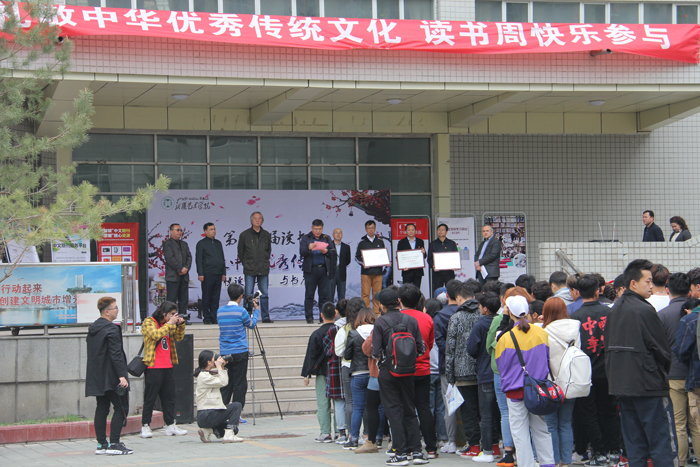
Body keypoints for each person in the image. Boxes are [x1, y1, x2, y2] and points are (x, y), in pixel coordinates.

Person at [605, 259, 678, 467]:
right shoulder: (644, 310)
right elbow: (662, 351)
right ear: (633, 284)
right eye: (647, 281)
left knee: (635, 445)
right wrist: (661, 374)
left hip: (622, 385)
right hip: (649, 385)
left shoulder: (614, 310)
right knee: (662, 443)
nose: (651, 286)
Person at [495, 295, 555, 467]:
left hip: (515, 391)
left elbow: (501, 367)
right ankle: (547, 463)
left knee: (520, 433)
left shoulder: (505, 338)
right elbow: (548, 359)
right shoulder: (542, 333)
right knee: (541, 429)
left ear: (510, 313)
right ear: (528, 311)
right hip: (538, 389)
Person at [371, 288, 427, 466]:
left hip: (388, 372)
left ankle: (401, 453)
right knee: (410, 410)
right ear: (399, 302)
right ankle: (417, 452)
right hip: (408, 371)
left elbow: (375, 352)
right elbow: (421, 348)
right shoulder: (411, 320)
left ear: (382, 306)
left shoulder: (380, 322)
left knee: (394, 412)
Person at [570, 274, 622, 466]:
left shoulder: (575, 317)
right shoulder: (610, 313)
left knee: (589, 413)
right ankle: (614, 450)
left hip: (585, 373)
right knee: (610, 411)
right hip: (609, 371)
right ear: (598, 290)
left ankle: (599, 453)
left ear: (578, 292)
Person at [487, 287, 532, 467]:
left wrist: (504, 318)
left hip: (506, 374)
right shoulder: (534, 324)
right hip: (532, 376)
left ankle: (509, 452)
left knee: (507, 413)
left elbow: (492, 344)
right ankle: (534, 457)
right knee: (534, 419)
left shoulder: (500, 321)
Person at [660, 272, 698, 467]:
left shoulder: (662, 315)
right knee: (696, 424)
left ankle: (680, 462)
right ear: (689, 289)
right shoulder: (695, 313)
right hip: (694, 374)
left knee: (678, 423)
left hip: (673, 373)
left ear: (668, 290)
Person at [86, 297, 132, 456]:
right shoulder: (111, 329)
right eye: (115, 308)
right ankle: (114, 443)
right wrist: (122, 375)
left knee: (102, 408)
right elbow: (115, 354)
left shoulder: (93, 328)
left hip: (97, 375)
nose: (117, 310)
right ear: (107, 311)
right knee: (120, 408)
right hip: (112, 376)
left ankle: (101, 444)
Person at [399, 284, 438, 459]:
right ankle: (431, 447)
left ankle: (409, 447)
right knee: (424, 408)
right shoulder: (427, 318)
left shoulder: (397, 318)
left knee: (405, 409)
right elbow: (429, 344)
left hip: (402, 370)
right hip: (423, 368)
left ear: (399, 300)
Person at [445, 282, 483, 458]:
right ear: (473, 297)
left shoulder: (456, 318)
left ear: (458, 298)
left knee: (468, 412)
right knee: (485, 410)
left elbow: (450, 349)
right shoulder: (482, 315)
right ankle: (489, 444)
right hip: (482, 371)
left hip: (462, 372)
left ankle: (473, 445)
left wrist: (450, 376)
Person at [541, 297, 581, 467]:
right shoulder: (575, 329)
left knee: (551, 425)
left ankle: (555, 461)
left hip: (550, 385)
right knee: (566, 423)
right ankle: (566, 461)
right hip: (570, 383)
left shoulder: (544, 331)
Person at [140, 300, 187, 438]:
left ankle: (170, 424)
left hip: (168, 365)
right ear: (163, 313)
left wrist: (180, 325)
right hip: (153, 366)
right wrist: (169, 324)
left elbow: (178, 337)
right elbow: (155, 335)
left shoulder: (169, 324)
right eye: (171, 314)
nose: (173, 316)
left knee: (169, 397)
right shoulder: (149, 322)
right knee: (150, 398)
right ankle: (145, 425)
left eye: (175, 314)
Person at [466, 291, 501, 463]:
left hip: (486, 373)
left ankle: (487, 450)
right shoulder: (503, 322)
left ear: (485, 309)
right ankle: (501, 446)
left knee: (486, 414)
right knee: (503, 413)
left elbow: (472, 348)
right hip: (502, 372)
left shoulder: (480, 325)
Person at [217, 283, 259, 410]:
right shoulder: (241, 311)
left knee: (226, 382)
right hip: (240, 351)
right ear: (241, 296)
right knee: (240, 383)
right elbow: (251, 325)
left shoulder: (220, 311)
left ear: (229, 294)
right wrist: (256, 310)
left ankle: (222, 410)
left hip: (225, 352)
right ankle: (236, 412)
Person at [433, 279, 462, 454]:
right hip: (467, 366)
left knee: (449, 403)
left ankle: (451, 441)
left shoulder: (440, 316)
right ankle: (472, 441)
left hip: (446, 366)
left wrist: (450, 353)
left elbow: (439, 342)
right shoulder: (467, 313)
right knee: (470, 403)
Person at [302, 301, 338, 443]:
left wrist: (307, 374)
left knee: (323, 403)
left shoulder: (316, 334)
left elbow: (311, 355)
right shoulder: (340, 331)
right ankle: (340, 432)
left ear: (321, 315)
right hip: (338, 372)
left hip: (322, 372)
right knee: (339, 403)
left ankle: (325, 433)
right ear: (335, 314)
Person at [343, 307, 375, 450]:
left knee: (358, 407)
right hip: (374, 373)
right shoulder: (377, 331)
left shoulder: (353, 334)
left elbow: (347, 355)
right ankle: (374, 437)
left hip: (357, 373)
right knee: (375, 407)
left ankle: (354, 439)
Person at [194, 351, 243, 443]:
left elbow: (221, 378)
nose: (217, 360)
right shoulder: (203, 376)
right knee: (236, 406)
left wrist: (222, 366)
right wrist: (219, 367)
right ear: (209, 362)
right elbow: (223, 382)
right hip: (207, 415)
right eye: (214, 358)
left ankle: (207, 431)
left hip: (208, 416)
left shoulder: (207, 374)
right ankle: (229, 436)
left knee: (234, 429)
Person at [335, 297, 365, 444]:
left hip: (348, 367)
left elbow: (338, 351)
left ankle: (352, 435)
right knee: (367, 402)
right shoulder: (370, 327)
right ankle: (368, 435)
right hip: (366, 367)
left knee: (350, 402)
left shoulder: (344, 329)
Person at [238, 211, 273, 323]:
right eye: (255, 218)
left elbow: (268, 251)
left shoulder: (266, 234)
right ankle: (247, 316)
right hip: (250, 268)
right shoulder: (244, 235)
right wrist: (246, 263)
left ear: (262, 221)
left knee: (264, 294)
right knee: (248, 294)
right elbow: (240, 252)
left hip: (263, 268)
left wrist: (264, 261)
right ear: (251, 220)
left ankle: (265, 317)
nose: (257, 220)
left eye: (259, 218)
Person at [300, 219, 337, 324]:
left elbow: (333, 253)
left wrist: (326, 252)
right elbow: (302, 252)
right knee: (309, 295)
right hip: (310, 270)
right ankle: (309, 318)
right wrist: (309, 248)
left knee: (324, 296)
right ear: (312, 228)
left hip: (324, 270)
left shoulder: (326, 238)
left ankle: (323, 318)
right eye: (316, 229)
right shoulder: (306, 238)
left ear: (322, 228)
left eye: (320, 229)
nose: (318, 231)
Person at [424, 298, 448, 447]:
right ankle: (442, 437)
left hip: (428, 370)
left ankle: (429, 438)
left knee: (429, 407)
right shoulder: (443, 323)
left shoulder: (426, 325)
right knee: (441, 407)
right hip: (442, 370)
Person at [323, 300, 348, 444]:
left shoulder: (332, 329)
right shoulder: (354, 326)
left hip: (335, 369)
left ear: (337, 312)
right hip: (351, 367)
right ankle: (354, 432)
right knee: (353, 402)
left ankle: (341, 433)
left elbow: (327, 350)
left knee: (339, 402)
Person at [196, 222, 226, 324]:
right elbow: (198, 260)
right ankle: (207, 317)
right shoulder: (201, 243)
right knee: (207, 296)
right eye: (211, 229)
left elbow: (222, 258)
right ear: (205, 231)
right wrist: (200, 273)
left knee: (215, 297)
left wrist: (223, 272)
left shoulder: (218, 243)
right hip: (207, 273)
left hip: (218, 273)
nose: (213, 231)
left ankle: (214, 317)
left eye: (214, 229)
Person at [356, 220, 387, 313]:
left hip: (378, 272)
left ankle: (377, 313)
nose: (370, 230)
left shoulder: (380, 242)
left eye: (372, 228)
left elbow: (383, 255)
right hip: (366, 273)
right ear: (365, 229)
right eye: (369, 228)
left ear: (375, 229)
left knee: (377, 294)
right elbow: (357, 257)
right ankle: (367, 313)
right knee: (365, 294)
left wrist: (386, 261)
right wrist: (363, 263)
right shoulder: (362, 243)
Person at [163, 223, 192, 317]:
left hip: (184, 276)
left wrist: (186, 268)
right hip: (173, 276)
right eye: (177, 230)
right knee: (171, 300)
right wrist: (180, 268)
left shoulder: (184, 244)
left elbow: (189, 257)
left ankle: (183, 318)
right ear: (171, 231)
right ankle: (171, 318)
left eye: (180, 230)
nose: (179, 232)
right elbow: (170, 258)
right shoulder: (167, 244)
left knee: (184, 299)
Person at [428, 223, 458, 295]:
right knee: (437, 292)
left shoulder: (452, 243)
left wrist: (455, 265)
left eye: (442, 230)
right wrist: (433, 266)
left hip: (449, 273)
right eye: (439, 230)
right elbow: (429, 258)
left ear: (446, 232)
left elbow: (455, 257)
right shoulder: (433, 244)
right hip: (437, 274)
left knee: (451, 291)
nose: (440, 231)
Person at [397, 223, 427, 289]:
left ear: (415, 231)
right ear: (406, 231)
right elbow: (399, 257)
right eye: (409, 230)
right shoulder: (401, 242)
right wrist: (402, 266)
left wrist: (424, 253)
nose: (411, 231)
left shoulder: (420, 241)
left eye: (412, 230)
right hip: (407, 271)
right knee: (406, 290)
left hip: (418, 271)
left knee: (417, 290)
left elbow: (424, 256)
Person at [331, 228, 351, 302]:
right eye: (336, 232)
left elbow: (348, 260)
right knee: (330, 294)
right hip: (331, 272)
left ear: (342, 235)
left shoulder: (346, 247)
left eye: (340, 233)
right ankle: (330, 309)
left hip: (341, 271)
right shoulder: (328, 246)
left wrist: (341, 265)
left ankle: (341, 309)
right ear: (333, 235)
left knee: (342, 295)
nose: (338, 234)